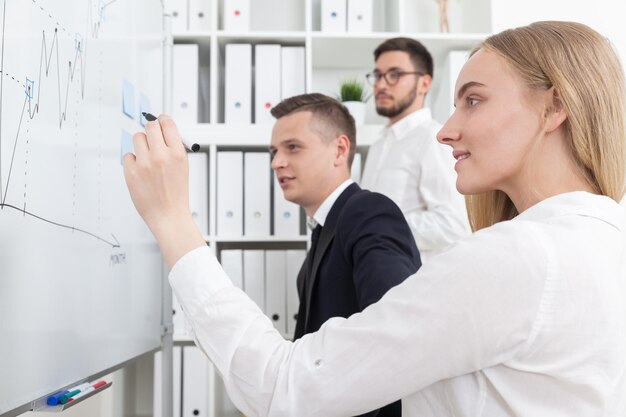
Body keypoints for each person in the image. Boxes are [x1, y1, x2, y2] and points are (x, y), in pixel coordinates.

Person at [124, 20, 626, 417]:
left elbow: (285, 387)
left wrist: (172, 221)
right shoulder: (601, 240)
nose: (446, 131)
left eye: (473, 100)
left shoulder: (519, 257)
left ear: (554, 106)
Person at [269, 93, 421, 417]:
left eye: (292, 147)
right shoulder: (326, 227)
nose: (276, 162)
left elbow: (391, 336)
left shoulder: (368, 211)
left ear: (339, 150)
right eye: (274, 151)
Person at [361, 37, 470, 263]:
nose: (381, 84)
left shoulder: (433, 139)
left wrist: (378, 226)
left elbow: (454, 224)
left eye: (395, 74)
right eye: (378, 75)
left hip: (415, 283)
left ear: (424, 84)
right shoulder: (378, 145)